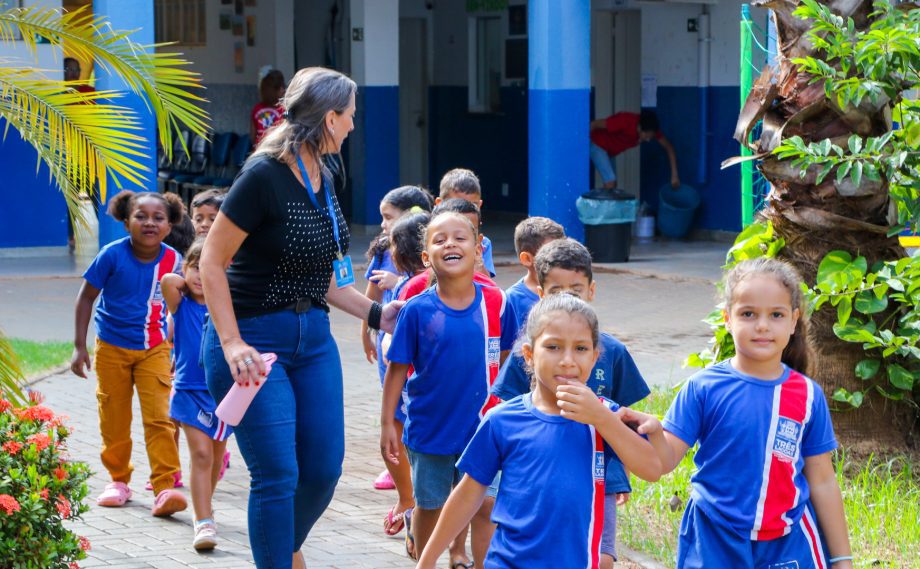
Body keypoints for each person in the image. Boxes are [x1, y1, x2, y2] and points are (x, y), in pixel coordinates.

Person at [199, 67, 401, 569]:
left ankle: (282, 549)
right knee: (278, 474)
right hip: (253, 343)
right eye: (350, 116)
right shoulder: (261, 176)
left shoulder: (324, 177)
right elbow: (210, 262)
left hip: (311, 340)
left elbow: (328, 279)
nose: (354, 126)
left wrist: (380, 314)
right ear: (329, 118)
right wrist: (231, 344)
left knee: (323, 470)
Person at [621, 258, 853, 569]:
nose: (762, 325)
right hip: (714, 538)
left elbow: (823, 481)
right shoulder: (703, 388)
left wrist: (842, 559)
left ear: (793, 320)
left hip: (787, 542)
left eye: (776, 315)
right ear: (727, 318)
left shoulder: (808, 395)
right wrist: (652, 432)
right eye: (748, 314)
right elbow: (661, 463)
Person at [415, 294, 663, 569]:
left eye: (580, 349)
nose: (568, 360)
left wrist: (603, 419)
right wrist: (426, 561)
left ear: (594, 358)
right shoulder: (502, 420)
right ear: (529, 355)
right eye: (554, 347)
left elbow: (652, 468)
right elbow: (467, 495)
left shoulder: (606, 416)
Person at [491, 238, 650, 567]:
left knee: (601, 557)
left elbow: (626, 423)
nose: (565, 298)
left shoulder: (612, 351)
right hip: (541, 477)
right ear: (540, 294)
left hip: (598, 476)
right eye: (555, 290)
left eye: (574, 291)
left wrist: (618, 476)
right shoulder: (534, 353)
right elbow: (506, 413)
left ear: (591, 291)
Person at [381, 212, 517, 566]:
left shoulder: (498, 303)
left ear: (478, 250)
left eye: (460, 238)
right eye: (439, 240)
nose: (450, 244)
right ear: (426, 258)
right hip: (431, 429)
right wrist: (386, 425)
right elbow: (396, 370)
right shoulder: (416, 310)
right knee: (431, 504)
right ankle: (427, 555)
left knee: (485, 503)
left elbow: (506, 357)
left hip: (484, 427)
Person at [70, 190, 188, 518]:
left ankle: (165, 487)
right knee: (114, 415)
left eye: (158, 218)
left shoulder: (174, 261)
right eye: (141, 216)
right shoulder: (111, 255)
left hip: (155, 349)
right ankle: (118, 480)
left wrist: (184, 350)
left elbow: (183, 308)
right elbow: (85, 299)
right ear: (126, 221)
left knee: (161, 418)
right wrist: (80, 346)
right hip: (111, 348)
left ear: (169, 225)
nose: (149, 222)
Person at [161, 238, 231, 551]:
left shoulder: (227, 305)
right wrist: (188, 274)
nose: (201, 275)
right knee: (201, 454)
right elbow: (167, 280)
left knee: (216, 458)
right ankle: (203, 521)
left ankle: (205, 505)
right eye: (195, 267)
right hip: (189, 391)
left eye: (209, 268)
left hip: (224, 393)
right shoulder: (181, 303)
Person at [375, 211, 431, 538]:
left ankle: (410, 504)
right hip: (415, 385)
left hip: (411, 386)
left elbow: (392, 345)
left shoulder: (412, 285)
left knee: (396, 443)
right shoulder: (417, 284)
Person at [590, 110, 679, 190]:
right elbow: (594, 124)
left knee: (612, 185)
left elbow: (669, 147)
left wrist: (674, 175)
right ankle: (594, 206)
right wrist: (579, 144)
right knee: (610, 182)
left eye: (650, 138)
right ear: (639, 127)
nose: (648, 140)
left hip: (609, 151)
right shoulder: (625, 121)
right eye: (647, 137)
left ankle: (603, 206)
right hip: (597, 144)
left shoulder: (651, 129)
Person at [504, 217, 565, 331]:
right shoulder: (512, 300)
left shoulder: (570, 289)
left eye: (563, 250)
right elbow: (507, 347)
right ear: (527, 259)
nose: (561, 258)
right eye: (552, 253)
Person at [436, 168, 496, 277]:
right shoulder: (430, 241)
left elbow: (487, 286)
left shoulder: (483, 243)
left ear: (480, 205)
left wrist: (477, 259)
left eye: (473, 205)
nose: (464, 212)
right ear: (439, 203)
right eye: (457, 204)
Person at [250, 68, 286, 147]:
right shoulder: (284, 109)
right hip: (277, 152)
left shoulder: (256, 109)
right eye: (282, 87)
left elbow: (253, 136)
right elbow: (287, 134)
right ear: (278, 89)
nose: (284, 90)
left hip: (259, 151)